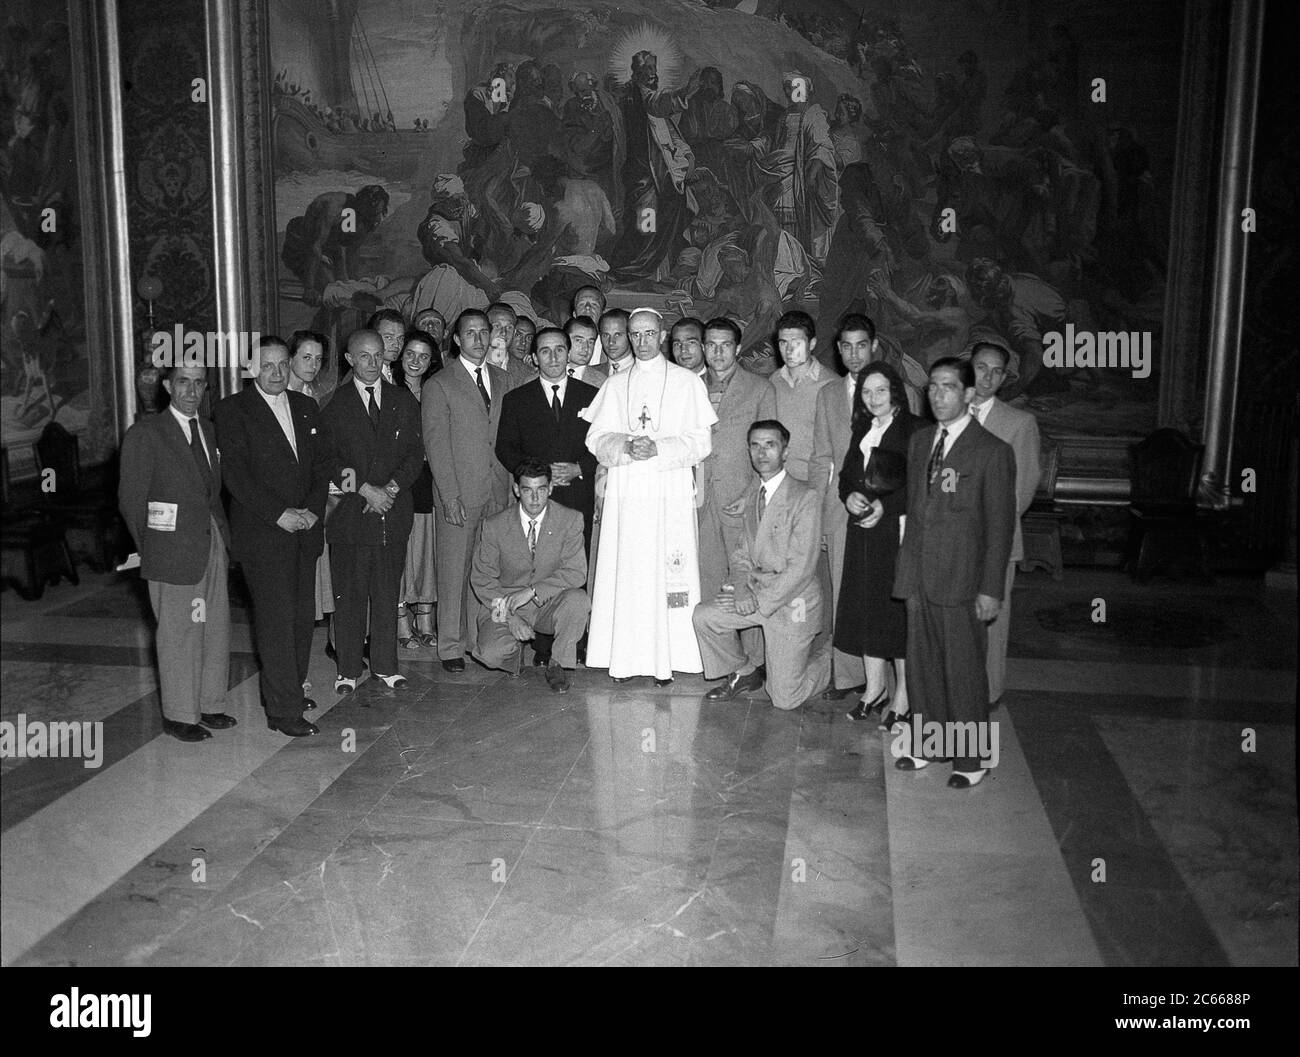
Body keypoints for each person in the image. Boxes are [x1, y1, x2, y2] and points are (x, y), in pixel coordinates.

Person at [892, 357, 1016, 788]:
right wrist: (905, 574)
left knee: (963, 669)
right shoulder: (922, 441)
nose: (938, 395)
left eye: (948, 387)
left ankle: (972, 758)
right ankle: (930, 743)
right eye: (932, 387)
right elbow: (915, 510)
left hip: (963, 580)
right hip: (919, 575)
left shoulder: (992, 451)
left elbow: (999, 528)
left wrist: (990, 589)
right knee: (923, 666)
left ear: (968, 394)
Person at [581, 307, 717, 682]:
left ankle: (672, 657)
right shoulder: (615, 384)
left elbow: (700, 441)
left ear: (661, 335)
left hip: (668, 492)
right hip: (626, 494)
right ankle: (625, 658)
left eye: (648, 334)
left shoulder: (686, 383)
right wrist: (624, 444)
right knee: (627, 572)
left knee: (669, 575)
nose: (641, 342)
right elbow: (595, 437)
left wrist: (658, 449)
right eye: (634, 334)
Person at [213, 337, 328, 737]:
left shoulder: (306, 406)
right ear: (251, 368)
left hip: (305, 530)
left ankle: (290, 691)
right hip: (264, 534)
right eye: (268, 366)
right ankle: (282, 712)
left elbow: (319, 465)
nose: (277, 373)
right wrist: (280, 515)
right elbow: (236, 477)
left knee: (300, 620)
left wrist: (312, 510)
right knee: (276, 623)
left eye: (282, 365)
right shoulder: (232, 411)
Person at [119, 362, 235, 742]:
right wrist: (153, 550)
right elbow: (131, 502)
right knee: (179, 632)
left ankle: (210, 703)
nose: (191, 391)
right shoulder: (147, 434)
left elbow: (213, 494)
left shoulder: (211, 431)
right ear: (168, 386)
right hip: (171, 549)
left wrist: (224, 540)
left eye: (199, 383)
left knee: (214, 627)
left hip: (211, 542)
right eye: (183, 382)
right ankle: (180, 714)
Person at [693, 420, 830, 709]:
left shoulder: (805, 496)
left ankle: (831, 660)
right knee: (705, 616)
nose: (762, 452)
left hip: (792, 603)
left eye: (770, 444)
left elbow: (801, 568)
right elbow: (742, 555)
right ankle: (744, 672)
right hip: (756, 594)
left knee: (784, 699)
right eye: (755, 445)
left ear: (786, 451)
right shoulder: (754, 495)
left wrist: (757, 600)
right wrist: (741, 590)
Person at [319, 329, 425, 693]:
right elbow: (330, 460)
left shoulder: (403, 401)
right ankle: (347, 668)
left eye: (378, 355)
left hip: (393, 512)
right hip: (351, 514)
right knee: (349, 594)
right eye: (363, 356)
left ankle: (386, 665)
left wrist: (391, 488)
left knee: (386, 592)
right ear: (349, 359)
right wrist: (365, 489)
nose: (372, 362)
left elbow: (415, 454)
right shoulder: (334, 403)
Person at [422, 309, 512, 670]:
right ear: (457, 339)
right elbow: (435, 444)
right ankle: (450, 647)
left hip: (498, 490)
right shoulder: (440, 384)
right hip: (459, 493)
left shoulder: (504, 380)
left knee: (487, 570)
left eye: (483, 331)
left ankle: (479, 640)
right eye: (469, 333)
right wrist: (449, 495)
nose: (478, 338)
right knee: (454, 571)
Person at [835, 361, 919, 723]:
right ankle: (874, 688)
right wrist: (849, 496)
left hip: (896, 533)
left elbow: (922, 485)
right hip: (863, 532)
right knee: (867, 609)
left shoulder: (916, 429)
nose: (873, 398)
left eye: (880, 390)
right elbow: (846, 477)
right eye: (866, 392)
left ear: (895, 391)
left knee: (894, 612)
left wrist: (888, 504)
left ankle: (902, 696)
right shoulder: (863, 429)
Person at [470, 459, 591, 692]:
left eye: (541, 490)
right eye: (527, 490)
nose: (535, 499)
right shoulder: (494, 525)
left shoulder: (570, 519)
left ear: (551, 488)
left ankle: (558, 664)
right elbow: (482, 579)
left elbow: (576, 572)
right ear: (516, 489)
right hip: (505, 604)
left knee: (578, 600)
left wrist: (534, 592)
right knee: (490, 655)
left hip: (548, 603)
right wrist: (510, 617)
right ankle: (514, 654)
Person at [968, 340, 1041, 704]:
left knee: (992, 623)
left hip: (994, 541)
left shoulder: (1019, 423)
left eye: (997, 371)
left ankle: (989, 691)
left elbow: (1022, 490)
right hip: (950, 542)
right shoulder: (947, 412)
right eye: (982, 367)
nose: (988, 377)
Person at [810, 314, 876, 699]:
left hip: (884, 510)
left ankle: (882, 675)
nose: (853, 353)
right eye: (846, 346)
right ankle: (849, 675)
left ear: (875, 346)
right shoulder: (829, 395)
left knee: (879, 593)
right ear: (838, 349)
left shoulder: (901, 392)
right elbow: (821, 458)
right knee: (842, 593)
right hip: (838, 508)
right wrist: (820, 514)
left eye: (861, 345)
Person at [496, 326, 599, 556]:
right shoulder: (516, 399)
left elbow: (603, 442)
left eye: (559, 350)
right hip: (535, 496)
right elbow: (505, 448)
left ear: (568, 353)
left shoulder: (592, 395)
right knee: (536, 563)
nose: (553, 358)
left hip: (579, 494)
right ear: (534, 358)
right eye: (545, 351)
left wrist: (580, 468)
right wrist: (538, 473)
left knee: (577, 567)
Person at [609, 51, 702, 283]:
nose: (653, 73)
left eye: (654, 68)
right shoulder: (635, 98)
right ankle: (634, 268)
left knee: (665, 223)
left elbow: (672, 134)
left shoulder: (655, 104)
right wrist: (684, 93)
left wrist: (688, 155)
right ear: (638, 72)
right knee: (645, 223)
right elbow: (656, 103)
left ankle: (655, 272)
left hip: (664, 178)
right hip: (643, 177)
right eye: (648, 69)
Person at [286, 330, 335, 682]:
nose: (313, 365)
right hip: (281, 513)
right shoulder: (273, 398)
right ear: (289, 358)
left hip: (312, 510)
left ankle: (299, 673)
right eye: (306, 357)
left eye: (318, 359)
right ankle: (288, 674)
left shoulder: (314, 399)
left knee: (305, 600)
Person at [396, 330, 441, 650]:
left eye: (423, 356)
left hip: (427, 480)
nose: (415, 361)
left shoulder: (436, 390)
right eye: (410, 353)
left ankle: (425, 616)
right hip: (396, 482)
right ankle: (400, 620)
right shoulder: (387, 389)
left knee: (425, 550)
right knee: (400, 552)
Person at [767, 309, 833, 482]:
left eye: (796, 343)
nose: (789, 350)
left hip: (815, 485)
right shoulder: (772, 382)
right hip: (778, 483)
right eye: (783, 343)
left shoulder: (832, 385)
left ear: (812, 344)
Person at [486, 301, 535, 391]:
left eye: (509, 327)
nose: (504, 333)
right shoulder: (470, 364)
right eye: (497, 326)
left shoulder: (525, 373)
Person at [564, 314, 606, 386]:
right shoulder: (544, 375)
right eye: (579, 340)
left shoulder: (603, 382)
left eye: (590, 342)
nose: (586, 348)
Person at [368, 308, 406, 384]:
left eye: (400, 338)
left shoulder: (394, 374)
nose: (397, 344)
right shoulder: (364, 376)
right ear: (373, 337)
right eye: (389, 337)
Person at [598, 309, 634, 379]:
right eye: (606, 335)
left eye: (617, 335)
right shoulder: (589, 374)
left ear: (630, 336)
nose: (611, 342)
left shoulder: (643, 373)